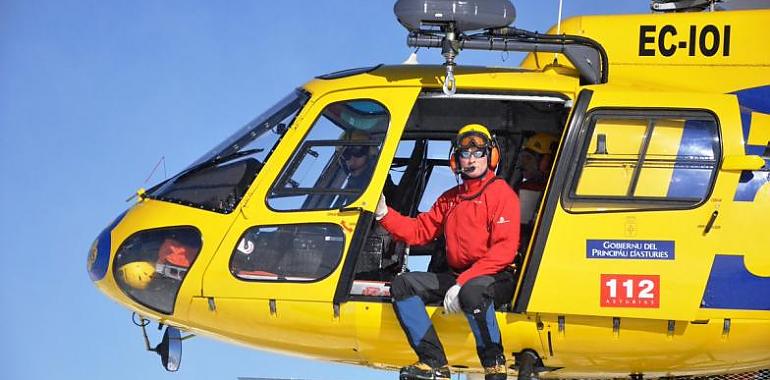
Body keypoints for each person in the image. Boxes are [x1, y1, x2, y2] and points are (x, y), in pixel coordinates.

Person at [375, 124, 520, 380]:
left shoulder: (501, 194)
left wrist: (463, 282)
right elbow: (419, 231)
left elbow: (505, 251)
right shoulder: (449, 199)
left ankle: (494, 364)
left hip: (495, 275)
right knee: (403, 285)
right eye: (466, 154)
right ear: (456, 160)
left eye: (479, 153)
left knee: (474, 293)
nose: (472, 159)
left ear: (491, 157)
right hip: (459, 277)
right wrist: (384, 215)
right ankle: (434, 363)